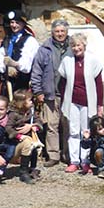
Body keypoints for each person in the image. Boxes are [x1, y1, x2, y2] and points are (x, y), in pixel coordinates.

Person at [58, 32, 104, 173]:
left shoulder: (93, 61)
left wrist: (100, 105)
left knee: (86, 131)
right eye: (73, 45)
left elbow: (99, 85)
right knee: (73, 131)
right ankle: (74, 161)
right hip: (72, 101)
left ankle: (85, 161)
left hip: (87, 102)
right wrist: (63, 100)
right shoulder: (67, 60)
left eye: (78, 45)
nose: (76, 48)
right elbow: (62, 83)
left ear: (84, 45)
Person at [30, 18, 70, 167]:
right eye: (57, 31)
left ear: (67, 32)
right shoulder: (44, 49)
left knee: (67, 125)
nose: (60, 34)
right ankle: (53, 155)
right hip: (50, 94)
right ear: (52, 32)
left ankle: (67, 154)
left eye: (62, 31)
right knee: (52, 125)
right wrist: (38, 91)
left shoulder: (73, 46)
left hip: (69, 94)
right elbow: (36, 71)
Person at [0, 9, 39, 99]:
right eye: (12, 22)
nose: (14, 25)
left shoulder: (30, 41)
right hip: (6, 84)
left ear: (23, 24)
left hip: (21, 85)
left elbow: (27, 65)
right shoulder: (7, 39)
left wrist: (15, 64)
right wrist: (6, 68)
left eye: (17, 22)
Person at [5, 89, 44, 184]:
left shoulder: (30, 111)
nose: (32, 102)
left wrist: (35, 126)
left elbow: (39, 120)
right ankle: (23, 172)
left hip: (30, 138)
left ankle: (32, 168)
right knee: (27, 144)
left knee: (33, 151)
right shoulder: (13, 114)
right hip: (15, 141)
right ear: (22, 103)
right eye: (29, 100)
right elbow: (8, 128)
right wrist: (18, 135)